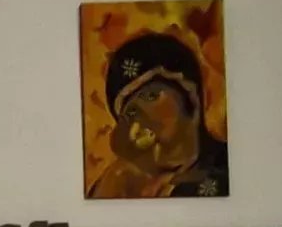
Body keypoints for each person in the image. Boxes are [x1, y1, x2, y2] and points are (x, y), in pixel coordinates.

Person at [88, 30, 230, 198]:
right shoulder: (119, 183)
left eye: (151, 96)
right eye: (132, 111)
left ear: (191, 98)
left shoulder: (226, 168)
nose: (143, 114)